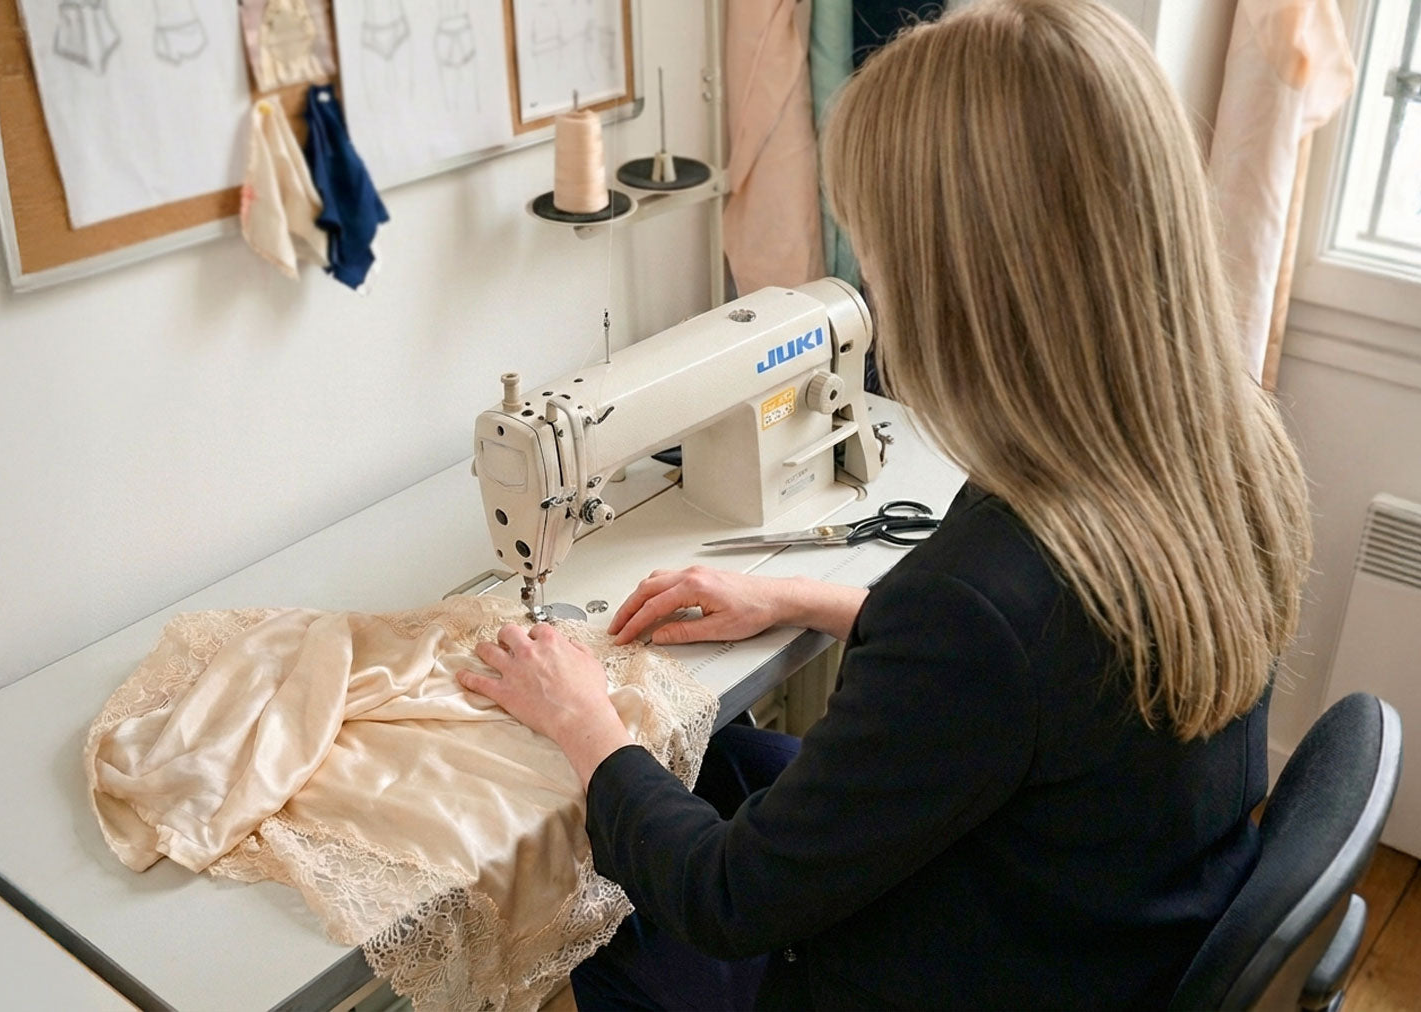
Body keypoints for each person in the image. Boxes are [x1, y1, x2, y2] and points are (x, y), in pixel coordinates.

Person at [455, 0, 1313, 1006]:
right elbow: (1062, 672)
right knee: (717, 761)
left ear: (964, 282)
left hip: (956, 969)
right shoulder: (1229, 444)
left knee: (598, 906)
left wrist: (582, 719)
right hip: (1090, 922)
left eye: (881, 250)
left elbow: (728, 898)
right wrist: (808, 601)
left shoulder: (989, 597)